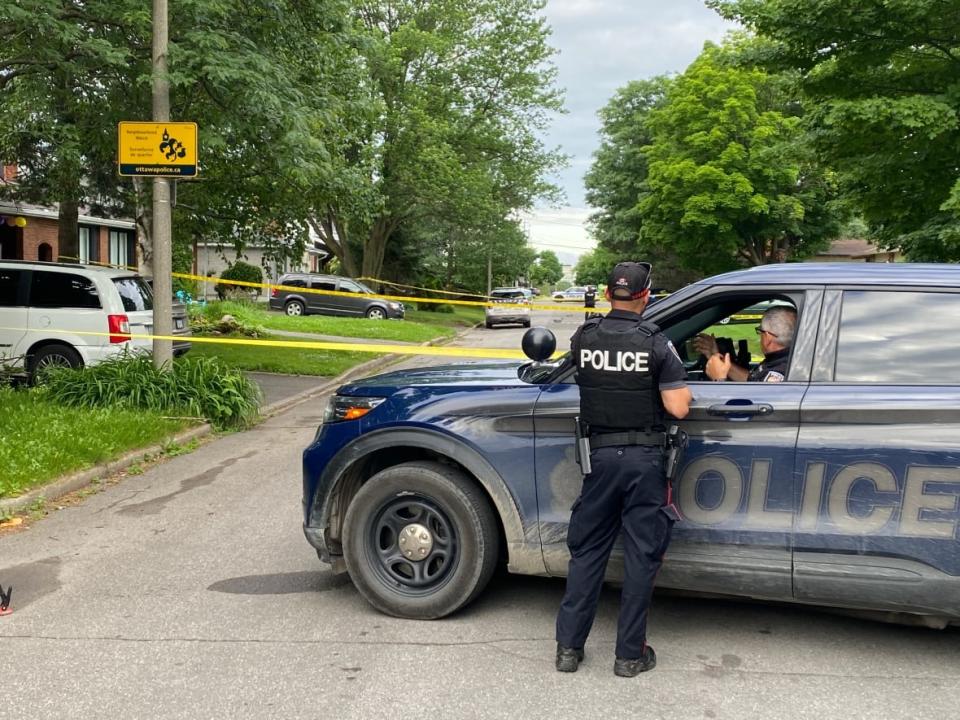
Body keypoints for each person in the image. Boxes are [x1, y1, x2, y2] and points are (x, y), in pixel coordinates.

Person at [555, 261, 693, 677]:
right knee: (640, 556)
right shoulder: (655, 343)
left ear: (607, 292)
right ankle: (629, 656)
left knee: (587, 552)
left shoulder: (585, 337)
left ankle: (568, 650)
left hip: (598, 460)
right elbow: (678, 407)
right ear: (646, 296)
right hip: (644, 463)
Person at [694, 306, 797, 382]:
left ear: (768, 337)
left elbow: (754, 407)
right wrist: (718, 358)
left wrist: (718, 379)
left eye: (759, 331)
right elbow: (752, 381)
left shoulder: (777, 374)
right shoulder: (788, 361)